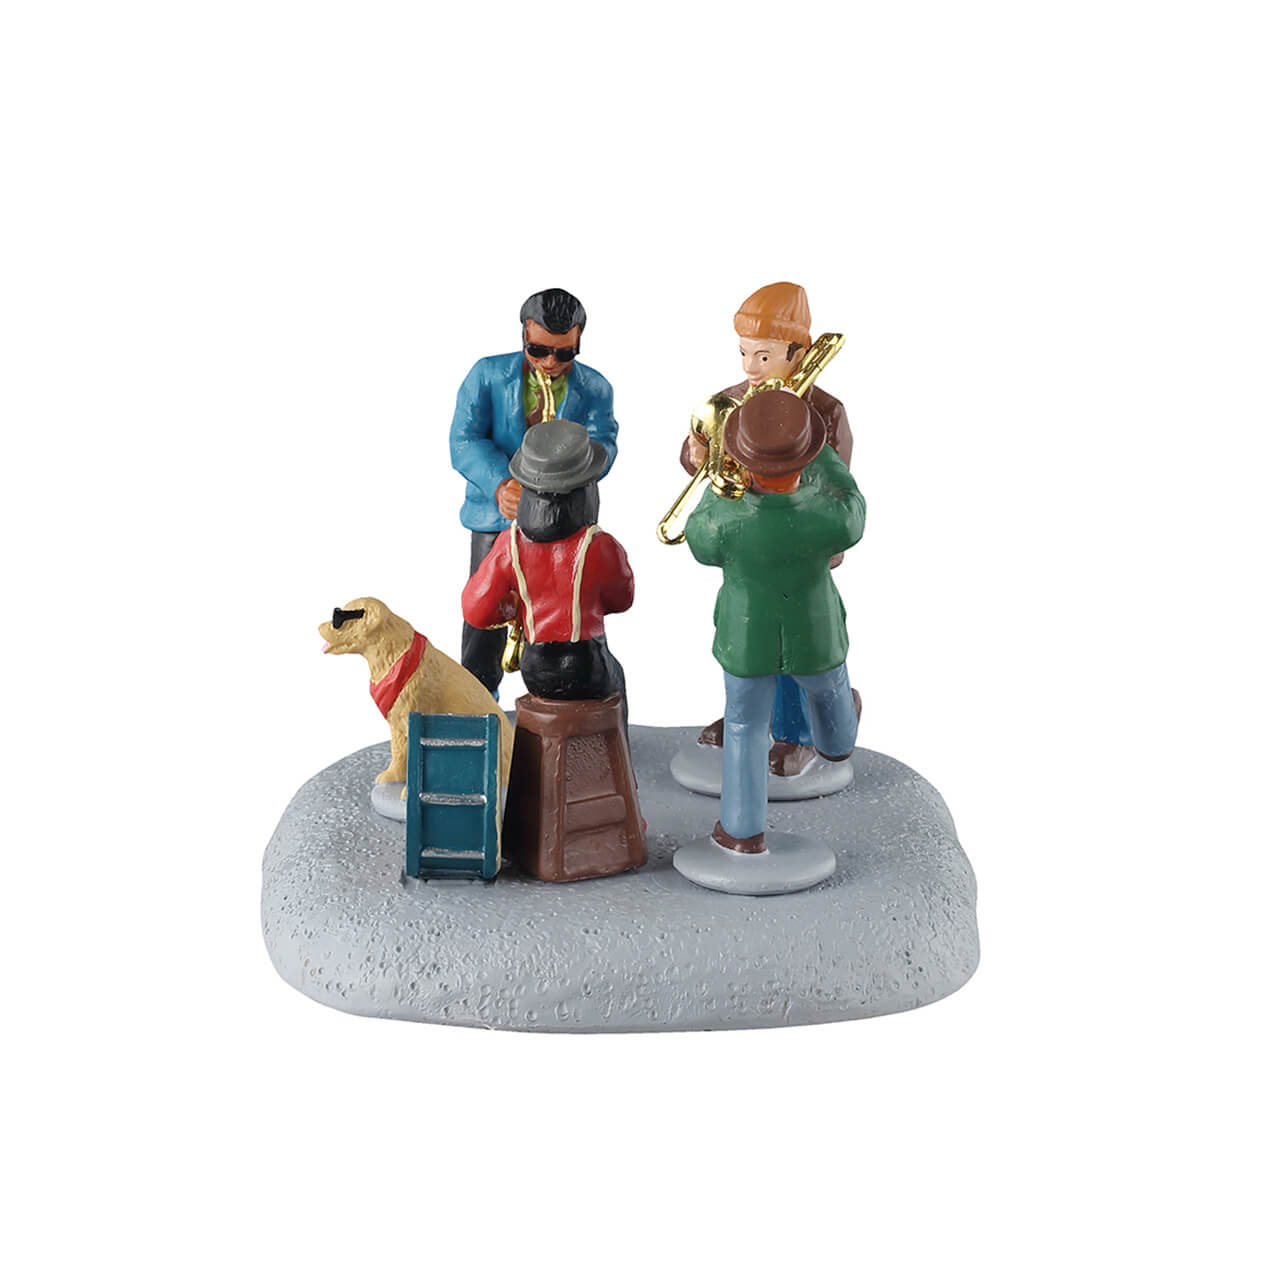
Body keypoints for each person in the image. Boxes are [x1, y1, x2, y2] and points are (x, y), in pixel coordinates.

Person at [680, 281, 853, 777]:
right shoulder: (733, 400)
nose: (749, 368)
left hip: (799, 541)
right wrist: (697, 454)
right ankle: (749, 713)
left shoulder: (825, 410)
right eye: (743, 353)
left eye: (763, 356)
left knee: (796, 640)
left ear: (797, 353)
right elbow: (700, 457)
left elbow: (837, 483)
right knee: (746, 632)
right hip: (745, 537)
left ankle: (795, 733)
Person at [683, 389, 865, 855]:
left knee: (743, 728)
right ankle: (837, 742)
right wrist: (818, 454)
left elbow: (699, 541)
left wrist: (719, 476)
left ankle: (741, 832)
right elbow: (853, 506)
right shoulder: (828, 516)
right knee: (829, 691)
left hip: (746, 642)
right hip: (816, 636)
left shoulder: (724, 518)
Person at [450, 288, 619, 694]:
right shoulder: (486, 375)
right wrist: (500, 484)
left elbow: (605, 446)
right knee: (483, 611)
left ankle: (567, 698)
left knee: (568, 615)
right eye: (538, 350)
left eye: (564, 353)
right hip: (496, 517)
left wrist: (562, 483)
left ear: (579, 341)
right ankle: (477, 697)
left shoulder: (595, 387)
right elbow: (464, 440)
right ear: (524, 334)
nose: (550, 363)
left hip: (565, 523)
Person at [461, 420, 633, 735]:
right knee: (617, 678)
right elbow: (622, 600)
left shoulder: (509, 545)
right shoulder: (600, 545)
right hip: (588, 663)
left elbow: (475, 610)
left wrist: (512, 609)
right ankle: (615, 750)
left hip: (536, 668)